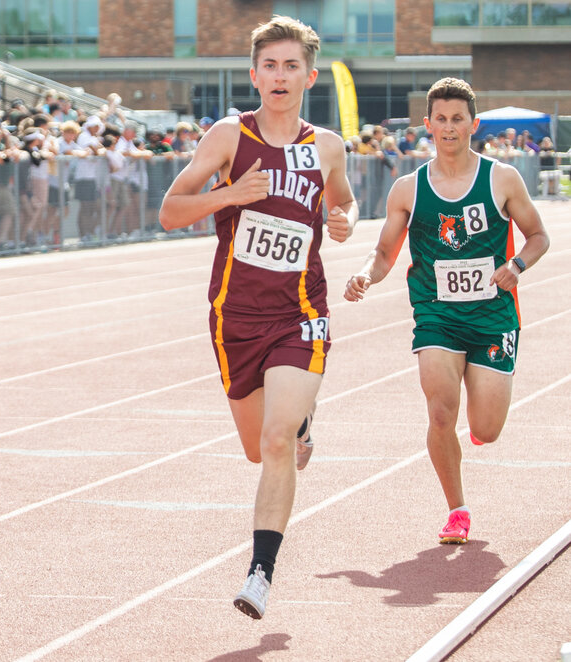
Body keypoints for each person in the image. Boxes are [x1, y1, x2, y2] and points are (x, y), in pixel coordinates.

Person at [159, 15, 357, 620]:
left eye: (290, 66)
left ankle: (260, 575)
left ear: (309, 77)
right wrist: (227, 195)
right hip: (235, 317)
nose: (279, 75)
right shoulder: (228, 137)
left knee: (274, 442)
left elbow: (343, 199)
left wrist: (345, 217)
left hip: (300, 314)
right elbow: (170, 211)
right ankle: (298, 425)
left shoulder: (326, 146)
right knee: (259, 446)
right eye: (269, 65)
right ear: (254, 74)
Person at [344, 77, 550, 546]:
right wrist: (364, 275)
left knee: (486, 429)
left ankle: (479, 428)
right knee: (440, 412)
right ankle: (457, 510)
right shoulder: (407, 189)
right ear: (428, 124)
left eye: (458, 119)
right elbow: (383, 254)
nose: (450, 127)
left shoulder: (501, 178)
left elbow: (539, 235)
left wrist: (516, 265)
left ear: (473, 124)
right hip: (436, 314)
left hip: (493, 316)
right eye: (441, 119)